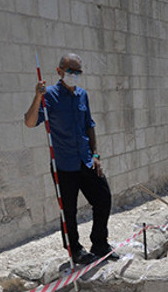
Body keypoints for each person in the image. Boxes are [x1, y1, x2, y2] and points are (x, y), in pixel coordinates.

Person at [24, 53, 116, 264]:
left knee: (103, 198)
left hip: (86, 159)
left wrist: (95, 155)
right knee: (69, 211)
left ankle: (100, 243)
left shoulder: (82, 95)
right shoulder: (49, 96)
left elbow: (89, 125)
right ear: (60, 71)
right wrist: (37, 96)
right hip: (63, 164)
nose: (74, 75)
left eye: (78, 72)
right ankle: (74, 249)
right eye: (70, 71)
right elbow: (30, 122)